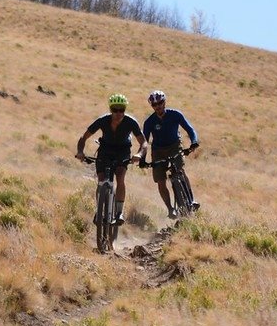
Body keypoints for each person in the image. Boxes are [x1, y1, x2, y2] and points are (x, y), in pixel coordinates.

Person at [76, 94, 147, 225]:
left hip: (123, 151)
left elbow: (143, 143)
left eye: (121, 110)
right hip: (105, 150)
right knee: (101, 180)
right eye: (115, 109)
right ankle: (99, 209)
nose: (118, 113)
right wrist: (80, 151)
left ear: (125, 110)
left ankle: (119, 212)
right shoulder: (102, 120)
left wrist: (139, 154)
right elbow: (83, 137)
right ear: (110, 109)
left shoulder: (131, 122)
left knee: (120, 177)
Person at [140, 90, 199, 218]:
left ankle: (191, 200)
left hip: (174, 146)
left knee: (180, 170)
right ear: (152, 106)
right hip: (158, 150)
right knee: (161, 181)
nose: (158, 106)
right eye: (155, 105)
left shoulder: (175, 115)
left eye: (160, 103)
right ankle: (170, 209)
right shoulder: (149, 122)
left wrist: (194, 142)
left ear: (164, 102)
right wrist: (142, 158)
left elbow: (190, 129)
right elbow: (145, 142)